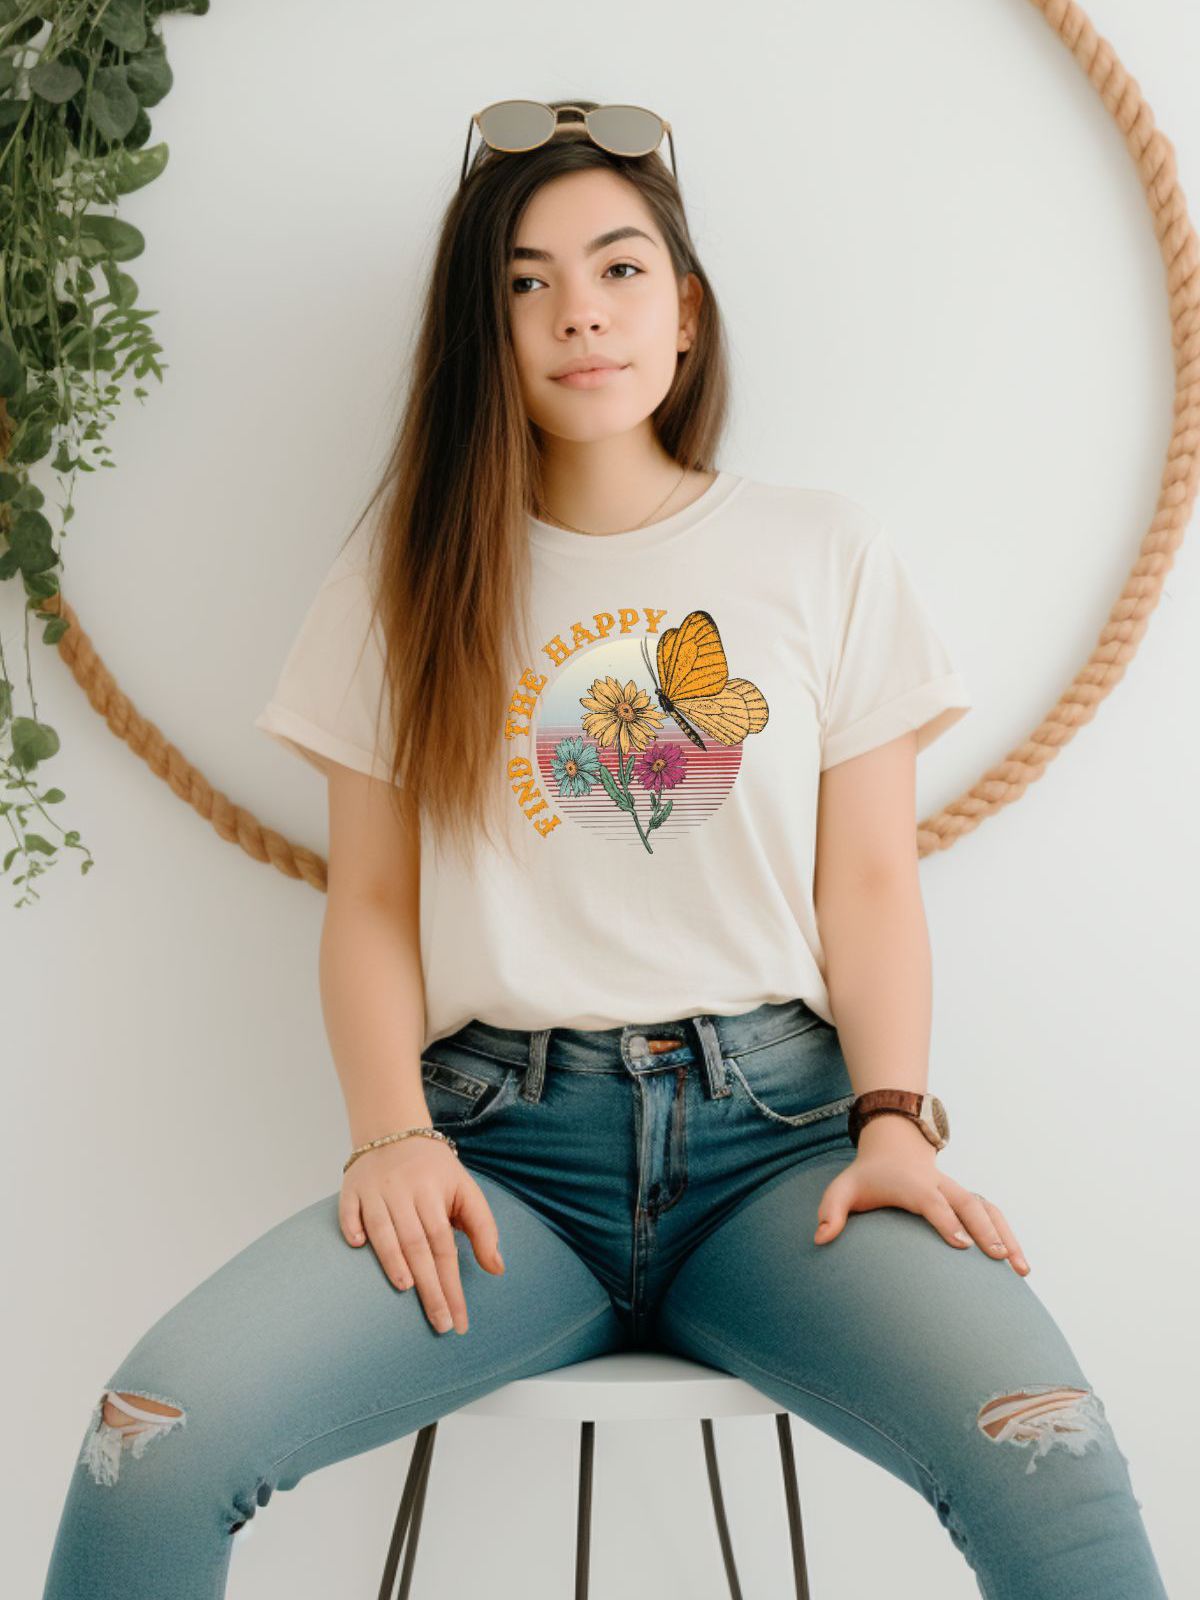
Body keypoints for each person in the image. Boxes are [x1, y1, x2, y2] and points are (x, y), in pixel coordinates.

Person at [42, 98, 1168, 1600]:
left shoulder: (822, 552)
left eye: (621, 268)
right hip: (499, 1164)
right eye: (528, 281)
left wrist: (895, 1120)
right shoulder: (402, 579)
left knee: (1055, 1457)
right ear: (487, 330)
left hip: (780, 1152)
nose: (580, 310)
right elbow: (371, 902)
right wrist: (391, 1134)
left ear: (685, 312)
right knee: (152, 1443)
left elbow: (868, 883)